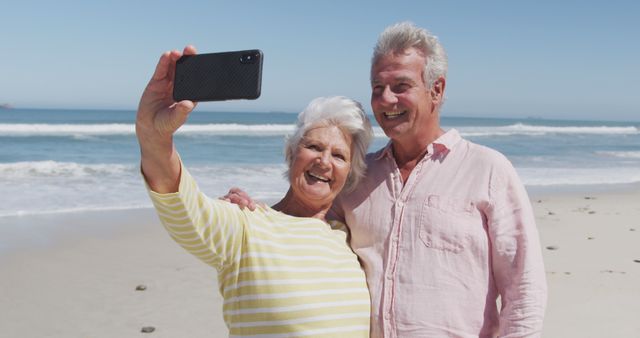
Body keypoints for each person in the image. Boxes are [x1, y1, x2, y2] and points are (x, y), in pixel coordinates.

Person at [228, 22, 548, 337]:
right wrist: (255, 213)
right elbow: (306, 221)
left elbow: (524, 288)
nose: (385, 100)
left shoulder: (487, 170)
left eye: (401, 86)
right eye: (378, 89)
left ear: (436, 90)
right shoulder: (358, 176)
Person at [136, 46, 374, 337]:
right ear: (291, 153)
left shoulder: (349, 238)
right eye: (313, 147)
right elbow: (185, 209)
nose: (324, 161)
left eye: (339, 156)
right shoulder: (248, 224)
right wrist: (154, 136)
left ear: (350, 172)